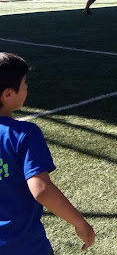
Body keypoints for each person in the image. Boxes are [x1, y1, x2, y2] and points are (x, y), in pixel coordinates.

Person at [0, 52, 95, 254]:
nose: (27, 87)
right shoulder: (24, 134)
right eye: (24, 82)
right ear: (8, 94)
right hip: (24, 246)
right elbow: (41, 189)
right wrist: (80, 223)